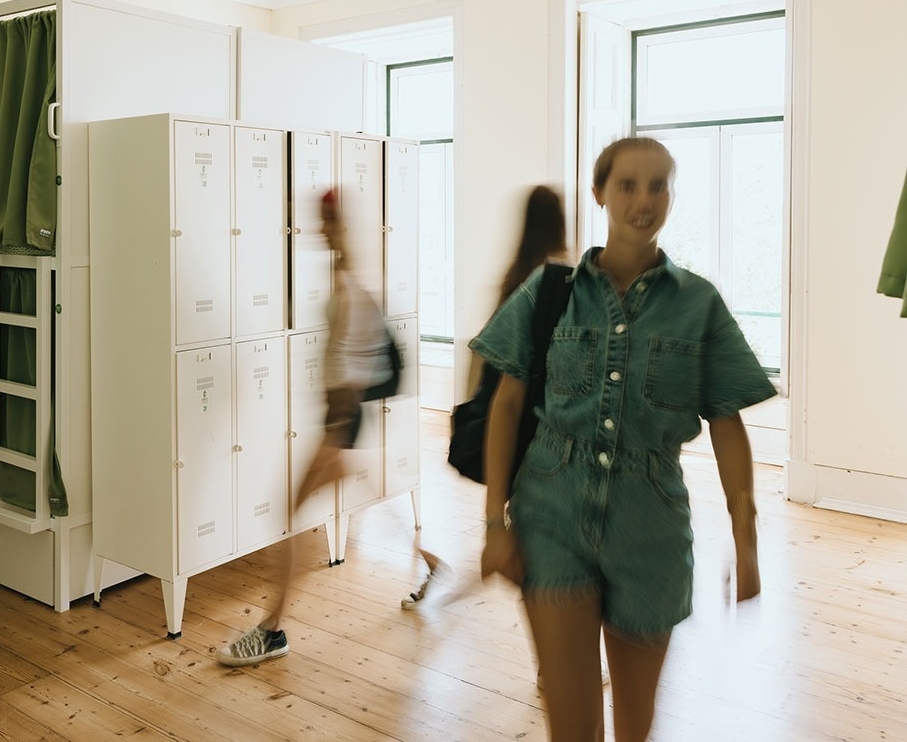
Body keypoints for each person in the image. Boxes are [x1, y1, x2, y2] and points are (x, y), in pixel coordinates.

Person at [471, 137, 776, 742]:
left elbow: (726, 420)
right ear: (599, 193)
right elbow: (506, 406)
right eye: (628, 185)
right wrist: (494, 524)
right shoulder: (551, 291)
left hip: (651, 528)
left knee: (636, 726)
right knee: (572, 729)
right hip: (551, 514)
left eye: (658, 185)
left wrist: (745, 536)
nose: (644, 200)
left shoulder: (699, 304)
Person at [216, 188, 393, 667]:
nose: (317, 227)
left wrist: (337, 431)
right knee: (363, 490)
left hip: (342, 420)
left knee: (287, 514)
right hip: (337, 420)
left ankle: (273, 629)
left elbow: (355, 367)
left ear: (337, 223)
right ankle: (429, 561)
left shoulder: (352, 283)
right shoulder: (345, 273)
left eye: (323, 219)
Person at [401, 184, 568, 610]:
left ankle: (460, 586)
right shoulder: (560, 279)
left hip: (513, 431)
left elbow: (488, 359)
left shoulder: (517, 278)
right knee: (537, 546)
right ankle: (549, 661)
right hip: (544, 432)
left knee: (524, 539)